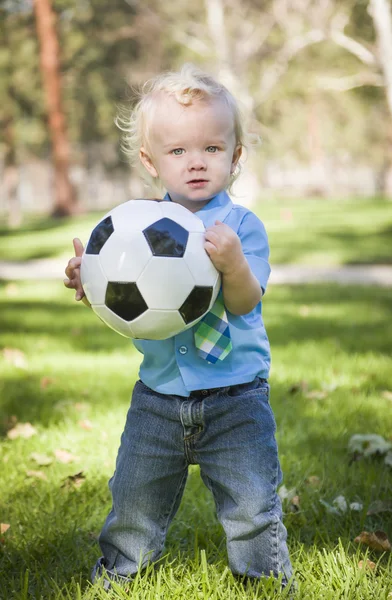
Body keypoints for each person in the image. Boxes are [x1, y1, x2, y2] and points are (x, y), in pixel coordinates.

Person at [64, 63, 293, 591]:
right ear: (151, 161)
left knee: (252, 503)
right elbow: (123, 299)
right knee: (134, 498)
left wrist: (233, 265)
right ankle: (121, 574)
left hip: (236, 399)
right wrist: (89, 278)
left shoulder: (241, 227)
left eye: (212, 149)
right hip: (159, 399)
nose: (196, 162)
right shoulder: (135, 226)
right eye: (178, 152)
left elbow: (245, 301)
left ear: (235, 157)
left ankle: (263, 580)